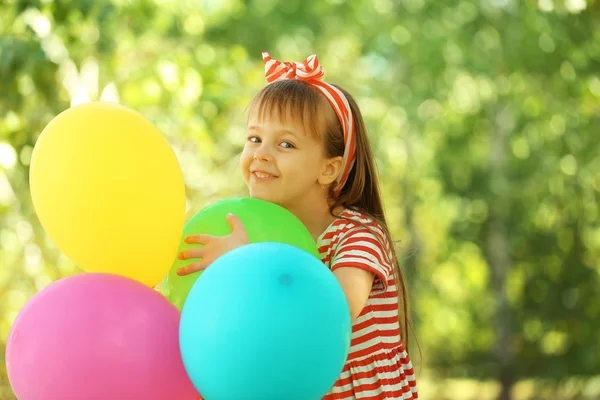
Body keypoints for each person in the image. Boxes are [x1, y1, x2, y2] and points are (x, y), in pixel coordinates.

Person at [177, 52, 419, 399]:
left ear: (328, 169)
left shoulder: (357, 234)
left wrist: (244, 265)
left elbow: (332, 311)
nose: (260, 154)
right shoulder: (251, 230)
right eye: (254, 139)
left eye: (286, 144)